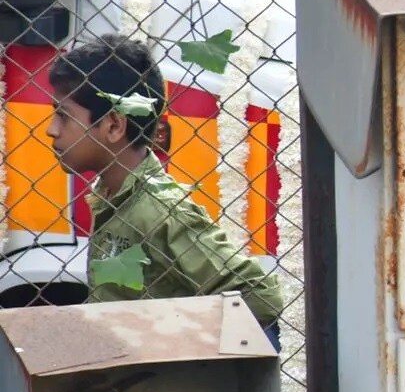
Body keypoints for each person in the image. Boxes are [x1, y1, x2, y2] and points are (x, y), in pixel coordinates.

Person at [47, 35, 284, 343]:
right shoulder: (112, 197)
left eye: (63, 115)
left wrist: (163, 341)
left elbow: (259, 296)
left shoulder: (158, 211)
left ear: (114, 126)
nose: (52, 128)